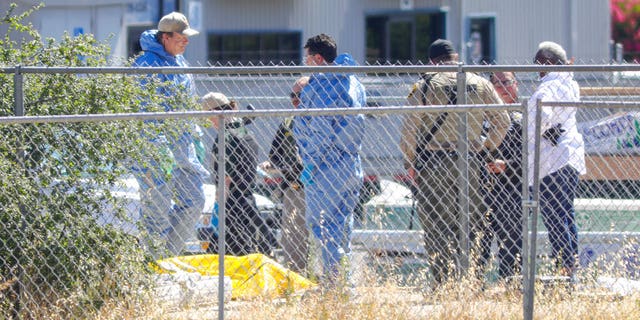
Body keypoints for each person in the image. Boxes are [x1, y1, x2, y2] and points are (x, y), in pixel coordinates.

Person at [400, 39, 510, 285]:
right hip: (470, 161)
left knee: (437, 223)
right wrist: (485, 147)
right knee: (470, 223)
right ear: (456, 56)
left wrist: (410, 163)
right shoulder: (479, 83)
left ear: (432, 61)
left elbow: (409, 130)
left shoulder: (424, 85)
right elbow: (502, 120)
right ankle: (469, 279)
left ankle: (443, 282)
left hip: (433, 162)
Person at [132, 12, 209, 256]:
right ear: (165, 37)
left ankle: (166, 257)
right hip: (156, 152)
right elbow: (145, 112)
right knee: (157, 210)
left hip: (183, 149)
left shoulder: (181, 63)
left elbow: (188, 103)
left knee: (195, 202)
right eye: (181, 37)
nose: (186, 41)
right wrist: (157, 145)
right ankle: (153, 265)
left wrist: (195, 136)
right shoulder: (146, 65)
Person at [293, 33, 366, 287]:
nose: (307, 65)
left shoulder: (323, 85)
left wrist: (310, 163)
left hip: (326, 167)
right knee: (343, 223)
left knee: (323, 225)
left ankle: (335, 286)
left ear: (318, 58)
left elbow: (322, 129)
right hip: (351, 164)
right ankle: (346, 282)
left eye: (308, 60)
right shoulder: (353, 81)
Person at [528, 41, 586, 277]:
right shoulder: (571, 83)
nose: (537, 71)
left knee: (553, 215)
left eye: (539, 65)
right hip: (571, 155)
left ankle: (564, 266)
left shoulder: (548, 85)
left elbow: (537, 116)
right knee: (566, 212)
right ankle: (572, 264)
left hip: (552, 160)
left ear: (549, 63)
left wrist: (541, 129)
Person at [202, 92, 275, 256]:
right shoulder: (245, 133)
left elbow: (226, 178)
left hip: (231, 205)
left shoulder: (225, 138)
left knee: (227, 255)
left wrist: (218, 205)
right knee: (243, 252)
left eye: (209, 116)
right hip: (247, 200)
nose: (210, 122)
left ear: (216, 114)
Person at [261, 76, 310, 274]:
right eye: (292, 96)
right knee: (293, 234)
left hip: (322, 184)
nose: (295, 100)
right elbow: (275, 153)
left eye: (300, 96)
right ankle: (295, 275)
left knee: (323, 231)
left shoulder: (324, 117)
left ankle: (325, 277)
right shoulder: (289, 122)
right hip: (295, 185)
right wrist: (274, 164)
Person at [480, 71, 524, 279]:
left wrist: (507, 166)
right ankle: (475, 283)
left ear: (516, 85)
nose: (502, 87)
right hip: (483, 189)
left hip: (512, 188)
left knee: (511, 242)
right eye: (496, 83)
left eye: (506, 82)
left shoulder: (525, 117)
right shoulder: (480, 116)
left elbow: (533, 159)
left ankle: (511, 284)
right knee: (479, 241)